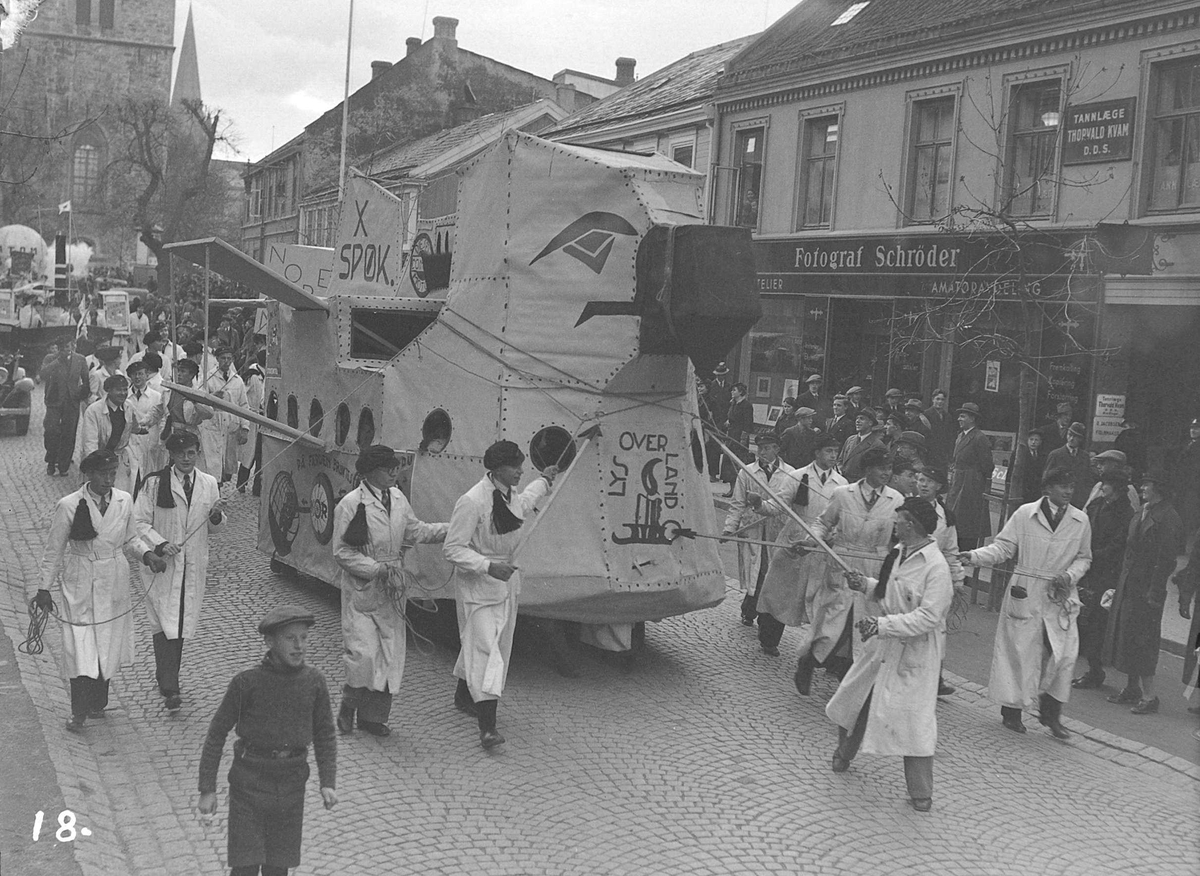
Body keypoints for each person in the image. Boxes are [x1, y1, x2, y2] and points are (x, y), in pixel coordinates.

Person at [825, 497, 952, 813]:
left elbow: (928, 618)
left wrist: (883, 624)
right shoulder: (898, 554)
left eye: (899, 520)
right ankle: (844, 752)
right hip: (883, 645)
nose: (894, 525)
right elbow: (885, 591)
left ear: (911, 523)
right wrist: (864, 584)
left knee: (915, 724)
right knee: (853, 701)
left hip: (915, 652)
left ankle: (921, 792)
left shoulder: (937, 567)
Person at [198, 606, 337, 876]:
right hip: (249, 785)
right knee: (245, 867)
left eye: (304, 638)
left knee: (277, 868)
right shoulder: (246, 683)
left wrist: (327, 782)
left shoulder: (314, 682)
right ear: (270, 642)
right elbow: (217, 732)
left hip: (291, 786)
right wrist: (207, 788)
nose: (299, 646)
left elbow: (325, 733)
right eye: (290, 638)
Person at [33, 450, 163, 732]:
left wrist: (148, 555)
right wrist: (44, 588)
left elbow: (130, 539)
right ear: (88, 474)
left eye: (112, 472)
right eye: (103, 473)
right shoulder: (69, 505)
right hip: (80, 577)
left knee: (107, 639)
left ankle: (97, 703)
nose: (109, 478)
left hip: (114, 576)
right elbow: (53, 550)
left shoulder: (123, 500)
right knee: (79, 644)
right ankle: (78, 711)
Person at [960, 466, 1092, 738]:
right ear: (1047, 489)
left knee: (1064, 655)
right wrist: (974, 557)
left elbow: (1084, 557)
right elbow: (1003, 548)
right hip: (1027, 587)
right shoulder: (1024, 514)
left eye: (1071, 486)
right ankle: (1012, 712)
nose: (1068, 491)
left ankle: (1051, 713)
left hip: (1060, 592)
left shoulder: (1080, 519)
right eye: (1061, 486)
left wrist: (1069, 575)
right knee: (1020, 651)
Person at [443, 441, 558, 749]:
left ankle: (463, 695)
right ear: (497, 469)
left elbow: (525, 503)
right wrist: (487, 566)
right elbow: (453, 548)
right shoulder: (472, 501)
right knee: (486, 653)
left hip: (507, 585)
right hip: (478, 586)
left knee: (497, 647)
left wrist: (544, 481)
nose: (522, 470)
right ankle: (487, 727)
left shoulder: (511, 494)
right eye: (516, 467)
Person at [332, 445, 448, 737]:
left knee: (389, 654)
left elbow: (416, 531)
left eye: (396, 468)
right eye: (388, 469)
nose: (395, 473)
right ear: (371, 471)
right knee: (364, 654)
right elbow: (342, 553)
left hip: (393, 589)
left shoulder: (398, 499)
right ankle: (348, 708)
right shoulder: (350, 504)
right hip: (364, 588)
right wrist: (376, 568)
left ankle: (373, 718)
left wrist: (453, 528)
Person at [794, 447, 904, 694]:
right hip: (842, 563)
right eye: (881, 468)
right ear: (867, 470)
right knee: (832, 624)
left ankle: (851, 684)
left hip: (875, 566)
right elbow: (823, 523)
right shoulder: (843, 494)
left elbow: (900, 537)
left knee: (865, 627)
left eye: (889, 468)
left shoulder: (896, 499)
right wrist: (813, 541)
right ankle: (808, 662)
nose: (886, 473)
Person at [134, 430, 225, 714]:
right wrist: (161, 544)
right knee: (163, 618)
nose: (186, 459)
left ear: (198, 453)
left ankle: (167, 676)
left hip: (193, 563)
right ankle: (171, 686)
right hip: (162, 564)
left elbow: (215, 526)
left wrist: (217, 515)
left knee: (182, 619)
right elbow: (138, 523)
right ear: (171, 455)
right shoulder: (153, 484)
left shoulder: (209, 483)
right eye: (180, 454)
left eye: (191, 453)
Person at [1102, 470, 1185, 715]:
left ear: (1159, 489)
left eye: (1147, 485)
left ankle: (1150, 696)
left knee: (1144, 642)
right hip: (1130, 584)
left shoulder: (1169, 518)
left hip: (1149, 590)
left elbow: (1167, 560)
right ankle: (1131, 688)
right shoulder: (1143, 511)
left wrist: (1155, 591)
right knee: (1127, 636)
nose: (1142, 489)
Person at [756, 432, 847, 656]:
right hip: (794, 539)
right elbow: (777, 506)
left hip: (822, 545)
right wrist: (758, 504)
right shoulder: (797, 476)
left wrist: (834, 536)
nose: (833, 456)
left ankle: (824, 654)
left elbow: (840, 518)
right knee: (779, 592)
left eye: (836, 452)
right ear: (817, 453)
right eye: (829, 451)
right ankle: (769, 639)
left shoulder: (842, 484)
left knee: (821, 599)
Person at [722, 431, 796, 628]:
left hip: (777, 529)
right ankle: (751, 609)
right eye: (759, 448)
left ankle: (758, 613)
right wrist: (729, 528)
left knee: (771, 572)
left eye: (766, 448)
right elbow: (737, 503)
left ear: (777, 449)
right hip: (752, 527)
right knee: (757, 570)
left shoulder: (791, 473)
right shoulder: (747, 471)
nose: (761, 452)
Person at [1071, 471, 1134, 691]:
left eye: (1105, 485)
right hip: (1087, 568)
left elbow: (1119, 545)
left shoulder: (1125, 513)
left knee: (1097, 623)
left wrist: (1093, 555)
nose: (1101, 488)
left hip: (1106, 573)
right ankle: (1090, 667)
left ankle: (1095, 670)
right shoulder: (1096, 504)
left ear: (1116, 488)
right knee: (1082, 619)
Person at [915, 466, 965, 696]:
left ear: (938, 487)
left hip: (935, 579)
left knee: (936, 628)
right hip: (909, 574)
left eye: (929, 481)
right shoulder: (906, 507)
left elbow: (951, 551)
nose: (923, 485)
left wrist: (957, 580)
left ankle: (936, 678)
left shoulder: (947, 516)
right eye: (921, 480)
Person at [76, 374, 138, 492]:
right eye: (118, 390)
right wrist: (97, 467)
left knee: (119, 496)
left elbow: (134, 426)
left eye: (125, 389)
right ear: (108, 390)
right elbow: (90, 443)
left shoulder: (129, 407)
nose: (123, 393)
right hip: (98, 462)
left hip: (118, 461)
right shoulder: (93, 411)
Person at [946, 402, 993, 550]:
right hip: (959, 481)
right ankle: (955, 545)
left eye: (963, 416)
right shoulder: (961, 436)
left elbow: (987, 466)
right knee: (955, 514)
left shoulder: (979, 438)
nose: (959, 419)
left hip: (971, 485)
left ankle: (967, 549)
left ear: (972, 419)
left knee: (967, 518)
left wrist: (976, 480)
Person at [199, 347, 249, 482]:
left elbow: (243, 405)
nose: (226, 362)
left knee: (228, 465)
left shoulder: (237, 380)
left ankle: (221, 487)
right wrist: (212, 397)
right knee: (212, 464)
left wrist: (245, 428)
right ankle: (215, 491)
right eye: (223, 358)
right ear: (217, 359)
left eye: (229, 358)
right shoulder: (208, 377)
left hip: (231, 425)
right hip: (213, 424)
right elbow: (200, 400)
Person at [42, 339, 90, 477]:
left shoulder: (80, 359)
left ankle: (64, 465)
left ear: (73, 346)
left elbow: (85, 380)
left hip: (71, 402)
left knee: (69, 433)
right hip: (54, 401)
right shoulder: (51, 359)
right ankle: (51, 461)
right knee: (51, 431)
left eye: (68, 347)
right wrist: (57, 361)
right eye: (62, 348)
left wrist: (79, 394)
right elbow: (43, 374)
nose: (65, 350)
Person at [125, 358, 165, 496]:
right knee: (130, 478)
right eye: (134, 374)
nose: (137, 377)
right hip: (129, 441)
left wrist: (159, 441)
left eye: (140, 374)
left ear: (147, 375)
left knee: (149, 477)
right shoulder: (125, 396)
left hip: (149, 441)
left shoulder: (156, 396)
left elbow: (161, 419)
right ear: (130, 376)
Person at [237, 351, 266, 495]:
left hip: (263, 419)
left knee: (261, 454)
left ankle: (257, 487)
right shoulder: (252, 376)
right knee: (249, 454)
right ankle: (241, 483)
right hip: (252, 417)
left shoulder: (268, 376)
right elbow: (242, 394)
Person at [722, 383, 754, 493]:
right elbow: (730, 417)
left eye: (734, 390)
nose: (732, 392)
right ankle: (732, 488)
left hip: (739, 437)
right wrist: (728, 422)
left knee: (738, 462)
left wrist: (743, 439)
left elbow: (748, 423)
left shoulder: (746, 405)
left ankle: (739, 490)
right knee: (729, 462)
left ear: (740, 392)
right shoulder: (733, 404)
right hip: (731, 435)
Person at [838, 409, 884, 481]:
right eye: (857, 418)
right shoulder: (850, 439)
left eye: (862, 419)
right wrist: (839, 472)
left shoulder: (877, 445)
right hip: (843, 481)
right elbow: (840, 460)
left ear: (870, 423)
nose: (857, 421)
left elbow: (876, 471)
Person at [1173, 418, 1200, 543]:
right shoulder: (1189, 444)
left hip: (1192, 487)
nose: (1193, 430)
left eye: (1196, 428)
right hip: (1183, 486)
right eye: (1192, 428)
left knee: (1189, 516)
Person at [1006, 429, 1047, 506]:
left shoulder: (1042, 455)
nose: (1033, 442)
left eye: (1036, 440)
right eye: (1031, 439)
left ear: (1040, 442)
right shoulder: (1019, 453)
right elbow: (1010, 472)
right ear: (1027, 440)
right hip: (1022, 492)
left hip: (1036, 493)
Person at [924, 389, 955, 468]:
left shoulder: (948, 417)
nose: (940, 402)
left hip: (943, 455)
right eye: (938, 399)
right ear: (932, 399)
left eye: (942, 400)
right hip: (929, 454)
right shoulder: (926, 414)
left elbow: (950, 436)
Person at [1113, 415, 1147, 480]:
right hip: (1136, 466)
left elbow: (1118, 449)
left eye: (1125, 426)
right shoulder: (1141, 436)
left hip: (1124, 463)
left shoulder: (1123, 436)